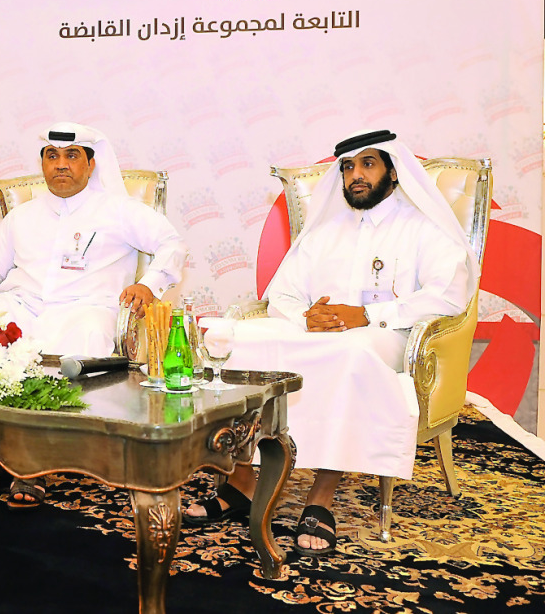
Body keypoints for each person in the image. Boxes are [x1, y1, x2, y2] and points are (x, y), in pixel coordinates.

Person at [182, 129, 479, 557]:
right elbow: (281, 294)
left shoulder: (420, 228)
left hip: (383, 337)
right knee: (242, 341)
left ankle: (321, 495)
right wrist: (306, 315)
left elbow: (447, 295)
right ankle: (243, 479)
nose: (355, 175)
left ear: (393, 172)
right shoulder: (327, 229)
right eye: (347, 167)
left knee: (349, 354)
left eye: (368, 164)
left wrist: (370, 315)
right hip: (316, 333)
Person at [0, 122, 188, 507]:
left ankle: (37, 463)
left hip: (86, 309)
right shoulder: (22, 216)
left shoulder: (118, 210)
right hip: (23, 306)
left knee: (82, 341)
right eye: (52, 156)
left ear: (91, 165)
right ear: (43, 164)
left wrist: (149, 285)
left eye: (71, 156)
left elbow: (171, 244)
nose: (60, 165)